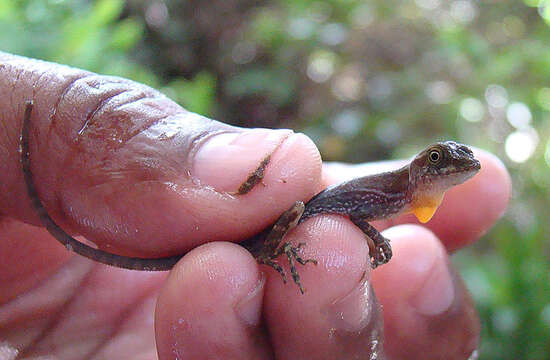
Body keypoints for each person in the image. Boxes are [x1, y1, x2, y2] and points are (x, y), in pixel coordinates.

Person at [0, 52, 511, 360]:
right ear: (425, 167)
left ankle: (270, 254)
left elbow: (358, 221)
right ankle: (268, 254)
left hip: (309, 218)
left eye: (456, 163)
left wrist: (376, 242)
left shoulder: (401, 194)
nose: (454, 167)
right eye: (443, 158)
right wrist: (281, 248)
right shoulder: (399, 188)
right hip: (293, 215)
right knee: (319, 243)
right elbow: (352, 218)